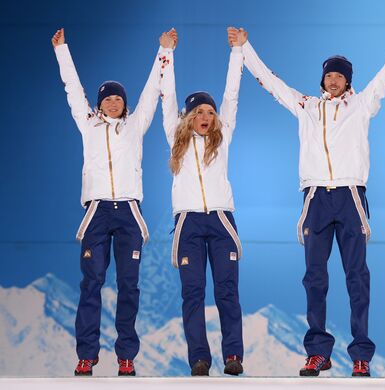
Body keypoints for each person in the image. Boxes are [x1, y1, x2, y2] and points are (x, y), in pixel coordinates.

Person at [233, 6, 385, 377]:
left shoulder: (361, 104)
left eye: (339, 75)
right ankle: (318, 352)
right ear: (322, 80)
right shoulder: (306, 106)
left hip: (351, 196)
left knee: (357, 276)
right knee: (315, 277)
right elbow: (271, 82)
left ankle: (360, 355)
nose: (333, 80)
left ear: (348, 81)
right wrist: (245, 49)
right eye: (329, 75)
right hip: (316, 198)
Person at [52, 28, 170, 376]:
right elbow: (73, 90)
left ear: (124, 103)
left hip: (130, 212)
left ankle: (126, 356)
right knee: (91, 283)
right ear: (100, 104)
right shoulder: (88, 125)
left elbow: (152, 92)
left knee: (128, 285)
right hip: (98, 210)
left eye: (118, 98)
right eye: (107, 99)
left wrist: (164, 52)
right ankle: (87, 355)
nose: (113, 102)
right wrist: (62, 51)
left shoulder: (135, 126)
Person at [159, 27, 245, 376]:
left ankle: (233, 357)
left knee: (227, 291)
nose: (206, 117)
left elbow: (233, 95)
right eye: (199, 112)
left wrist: (237, 52)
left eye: (209, 112)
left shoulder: (222, 141)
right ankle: (199, 358)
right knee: (192, 292)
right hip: (188, 223)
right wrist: (167, 53)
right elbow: (167, 96)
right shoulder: (174, 138)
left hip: (221, 221)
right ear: (188, 117)